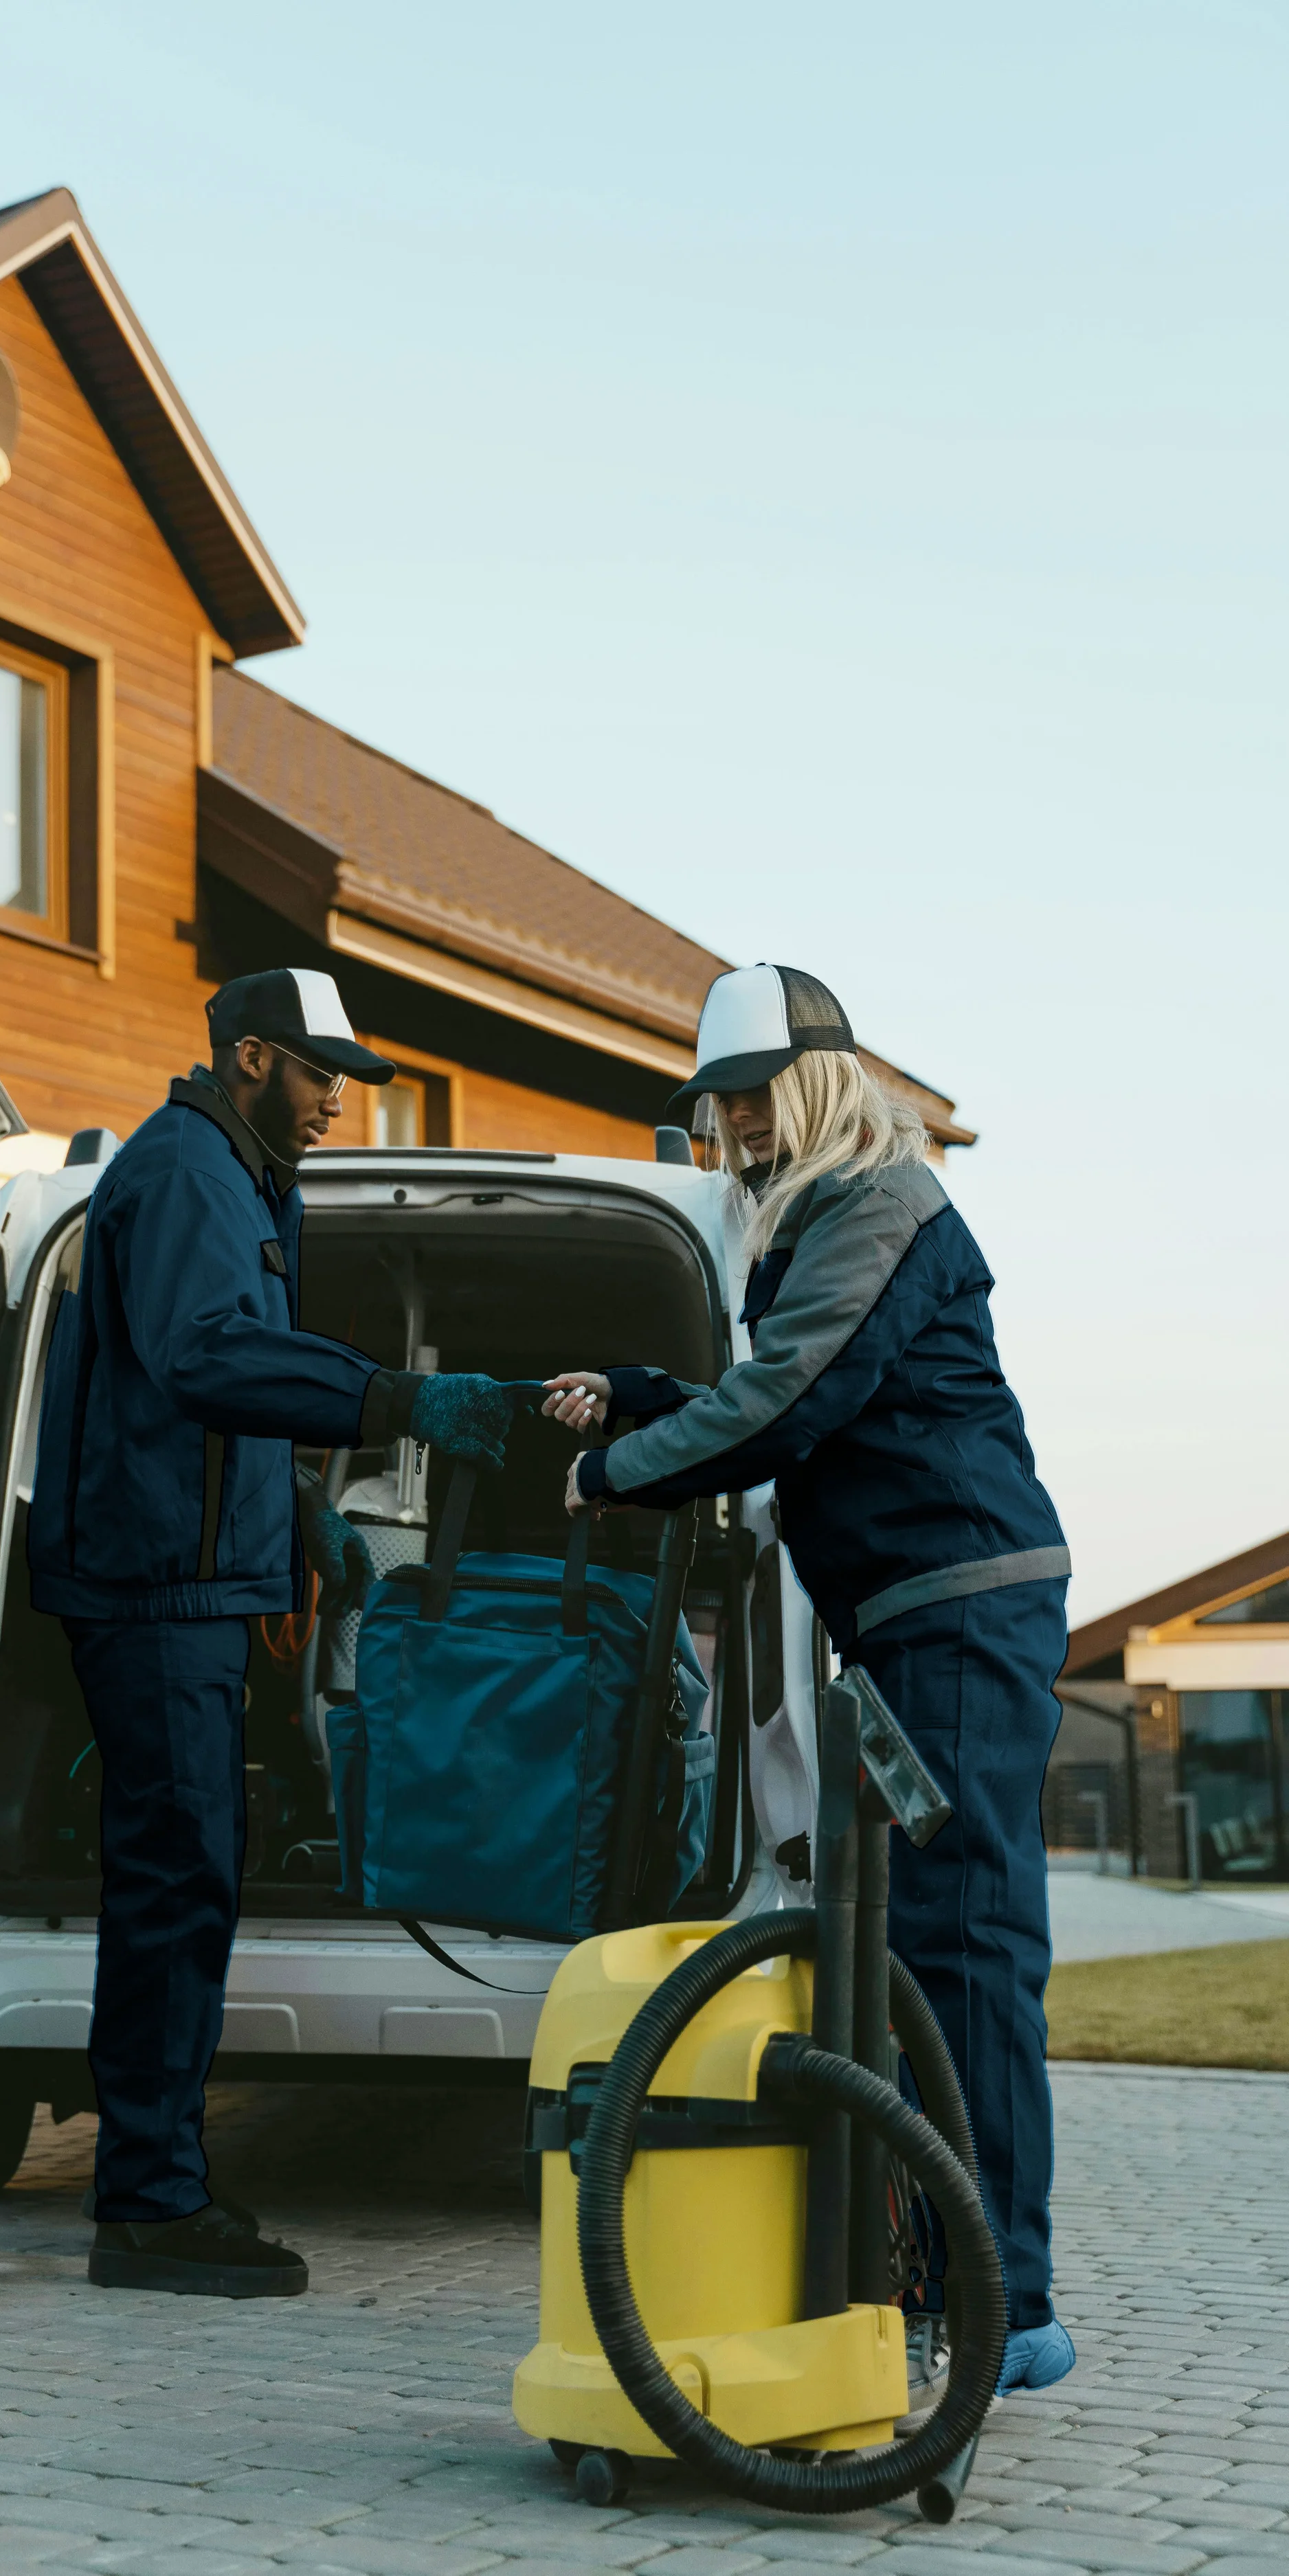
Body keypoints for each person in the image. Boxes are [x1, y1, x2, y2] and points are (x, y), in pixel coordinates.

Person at [542, 962, 1075, 2397]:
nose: (736, 1130)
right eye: (720, 1109)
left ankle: (1003, 2302)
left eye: (752, 1097)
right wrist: (644, 1396)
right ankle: (929, 2272)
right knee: (909, 1956)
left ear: (822, 1080)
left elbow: (792, 1398)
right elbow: (789, 1383)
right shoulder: (823, 1221)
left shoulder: (879, 1203)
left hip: (955, 1609)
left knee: (962, 1953)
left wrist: (617, 1470)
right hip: (911, 1618)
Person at [30, 967, 516, 2299]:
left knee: (187, 1879)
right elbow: (204, 1356)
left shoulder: (241, 1178)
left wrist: (303, 1522)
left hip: (195, 1580)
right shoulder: (188, 1173)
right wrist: (397, 1401)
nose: (336, 1106)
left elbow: (219, 1390)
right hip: (150, 1588)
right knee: (175, 1884)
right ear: (251, 1058)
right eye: (319, 1077)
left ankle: (157, 2182)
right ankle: (147, 2207)